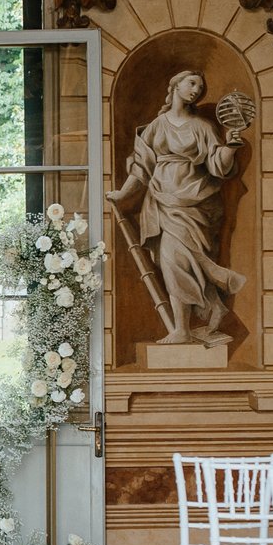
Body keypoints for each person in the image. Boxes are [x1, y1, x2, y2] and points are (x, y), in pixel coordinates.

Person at [108, 68, 252, 347]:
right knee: (172, 263)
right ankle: (200, 315)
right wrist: (123, 194)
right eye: (192, 83)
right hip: (162, 201)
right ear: (174, 85)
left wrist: (231, 146)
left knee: (183, 262)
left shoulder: (203, 127)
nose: (196, 90)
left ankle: (186, 328)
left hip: (194, 204)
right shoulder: (156, 126)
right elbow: (141, 168)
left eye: (201, 87)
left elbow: (218, 166)